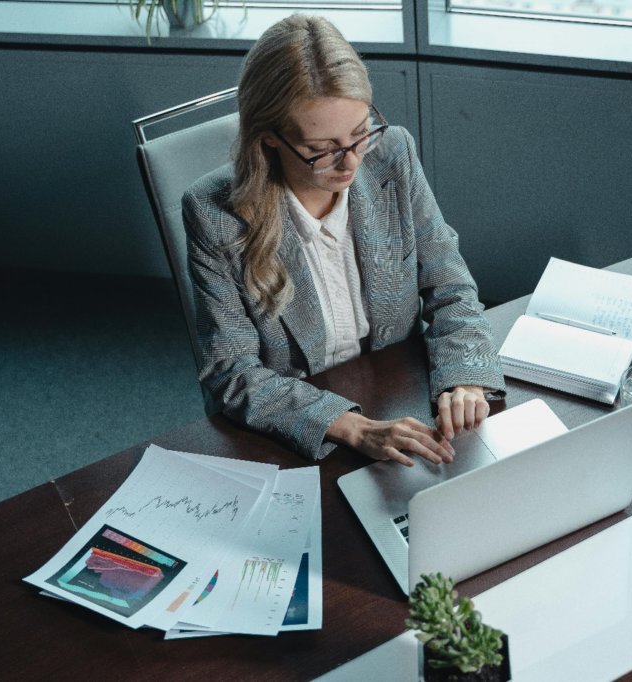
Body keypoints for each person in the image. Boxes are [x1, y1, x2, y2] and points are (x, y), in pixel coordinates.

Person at [182, 15, 505, 467]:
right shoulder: (213, 212)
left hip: (401, 395)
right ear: (269, 139)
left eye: (359, 133)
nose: (351, 161)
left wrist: (465, 378)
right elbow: (232, 371)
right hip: (299, 430)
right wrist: (351, 427)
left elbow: (450, 285)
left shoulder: (392, 155)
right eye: (323, 149)